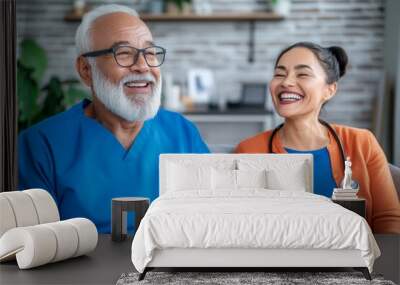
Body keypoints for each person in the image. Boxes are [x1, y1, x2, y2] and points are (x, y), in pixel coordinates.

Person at [18, 5, 209, 233]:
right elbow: (34, 245)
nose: (142, 66)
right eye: (124, 54)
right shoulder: (41, 144)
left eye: (149, 53)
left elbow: (209, 221)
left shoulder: (183, 132)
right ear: (86, 69)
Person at [235, 42, 400, 234]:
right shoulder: (248, 150)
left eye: (302, 74)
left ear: (330, 90)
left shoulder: (362, 142)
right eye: (279, 74)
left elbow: (389, 221)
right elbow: (244, 227)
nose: (286, 82)